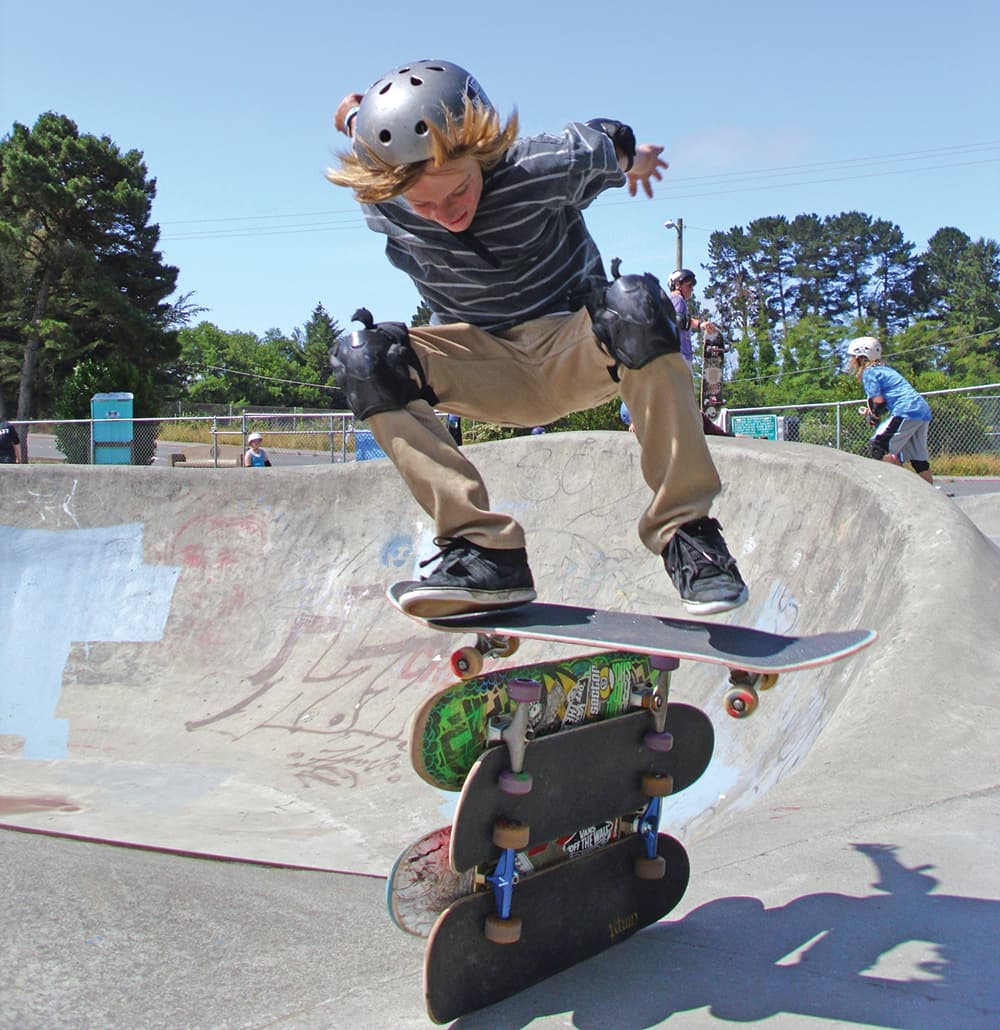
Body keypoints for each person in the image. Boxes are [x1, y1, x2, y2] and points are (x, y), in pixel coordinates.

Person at [326, 59, 747, 618]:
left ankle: (687, 533)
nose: (445, 215)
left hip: (577, 348)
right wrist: (355, 113)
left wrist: (635, 160)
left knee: (636, 300)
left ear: (483, 153)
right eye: (423, 206)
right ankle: (480, 547)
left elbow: (613, 138)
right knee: (364, 358)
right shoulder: (384, 195)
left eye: (457, 193)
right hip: (483, 363)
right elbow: (363, 130)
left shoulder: (543, 166)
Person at [846, 336, 933, 484]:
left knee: (877, 447)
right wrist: (873, 412)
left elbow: (878, 402)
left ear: (861, 357)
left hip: (906, 410)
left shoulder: (869, 372)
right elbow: (886, 400)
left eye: (853, 357)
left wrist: (873, 417)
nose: (851, 361)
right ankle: (932, 493)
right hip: (921, 410)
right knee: (918, 457)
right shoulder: (885, 369)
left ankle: (908, 486)